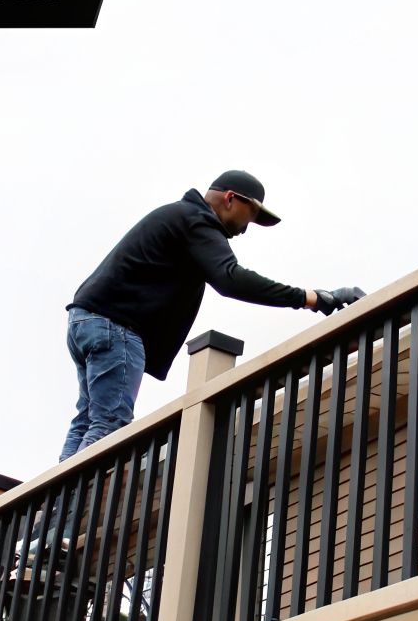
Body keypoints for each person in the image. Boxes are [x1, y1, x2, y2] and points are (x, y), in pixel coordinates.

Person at [59, 170, 364, 460]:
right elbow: (230, 278)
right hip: (116, 328)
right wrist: (310, 298)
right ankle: (67, 513)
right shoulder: (197, 220)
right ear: (231, 198)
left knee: (88, 420)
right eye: (251, 215)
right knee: (109, 423)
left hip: (87, 321)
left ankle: (54, 510)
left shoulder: (180, 217)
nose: (246, 229)